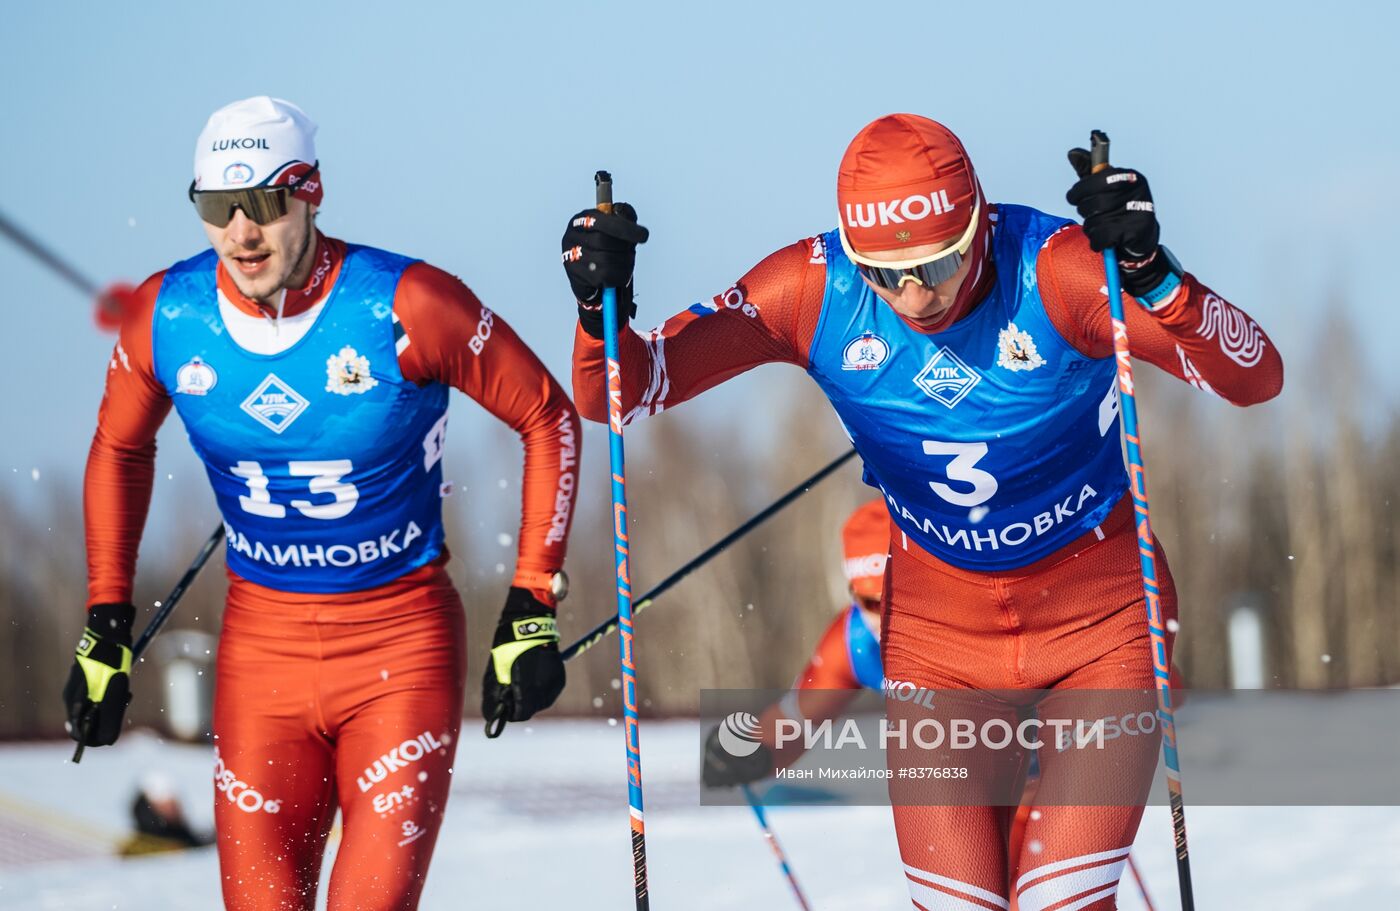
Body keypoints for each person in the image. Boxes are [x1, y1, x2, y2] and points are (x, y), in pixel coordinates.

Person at [560, 114, 1282, 910]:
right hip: (940, 646)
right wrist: (603, 314)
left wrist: (1151, 274)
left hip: (1100, 627)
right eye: (883, 273)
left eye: (939, 262)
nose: (915, 295)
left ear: (979, 220)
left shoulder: (1057, 270)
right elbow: (620, 392)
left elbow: (1254, 378)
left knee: (1060, 898)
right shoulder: (810, 288)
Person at [63, 96, 580, 911]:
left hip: (398, 648)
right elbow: (119, 447)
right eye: (214, 208)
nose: (241, 233)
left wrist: (532, 599)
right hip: (260, 654)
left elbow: (547, 414)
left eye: (263, 202)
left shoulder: (407, 304)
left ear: (310, 192)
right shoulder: (169, 315)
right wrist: (106, 620)